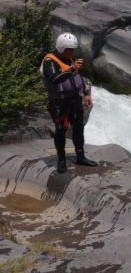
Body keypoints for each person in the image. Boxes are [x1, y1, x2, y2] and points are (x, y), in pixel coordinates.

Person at [41, 32, 97, 173]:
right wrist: (72, 68)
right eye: (68, 50)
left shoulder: (68, 59)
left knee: (78, 129)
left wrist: (85, 93)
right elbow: (55, 79)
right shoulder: (49, 61)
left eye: (72, 50)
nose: (71, 52)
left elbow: (77, 78)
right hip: (60, 103)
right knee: (61, 131)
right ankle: (61, 160)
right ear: (60, 47)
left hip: (74, 101)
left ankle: (80, 156)